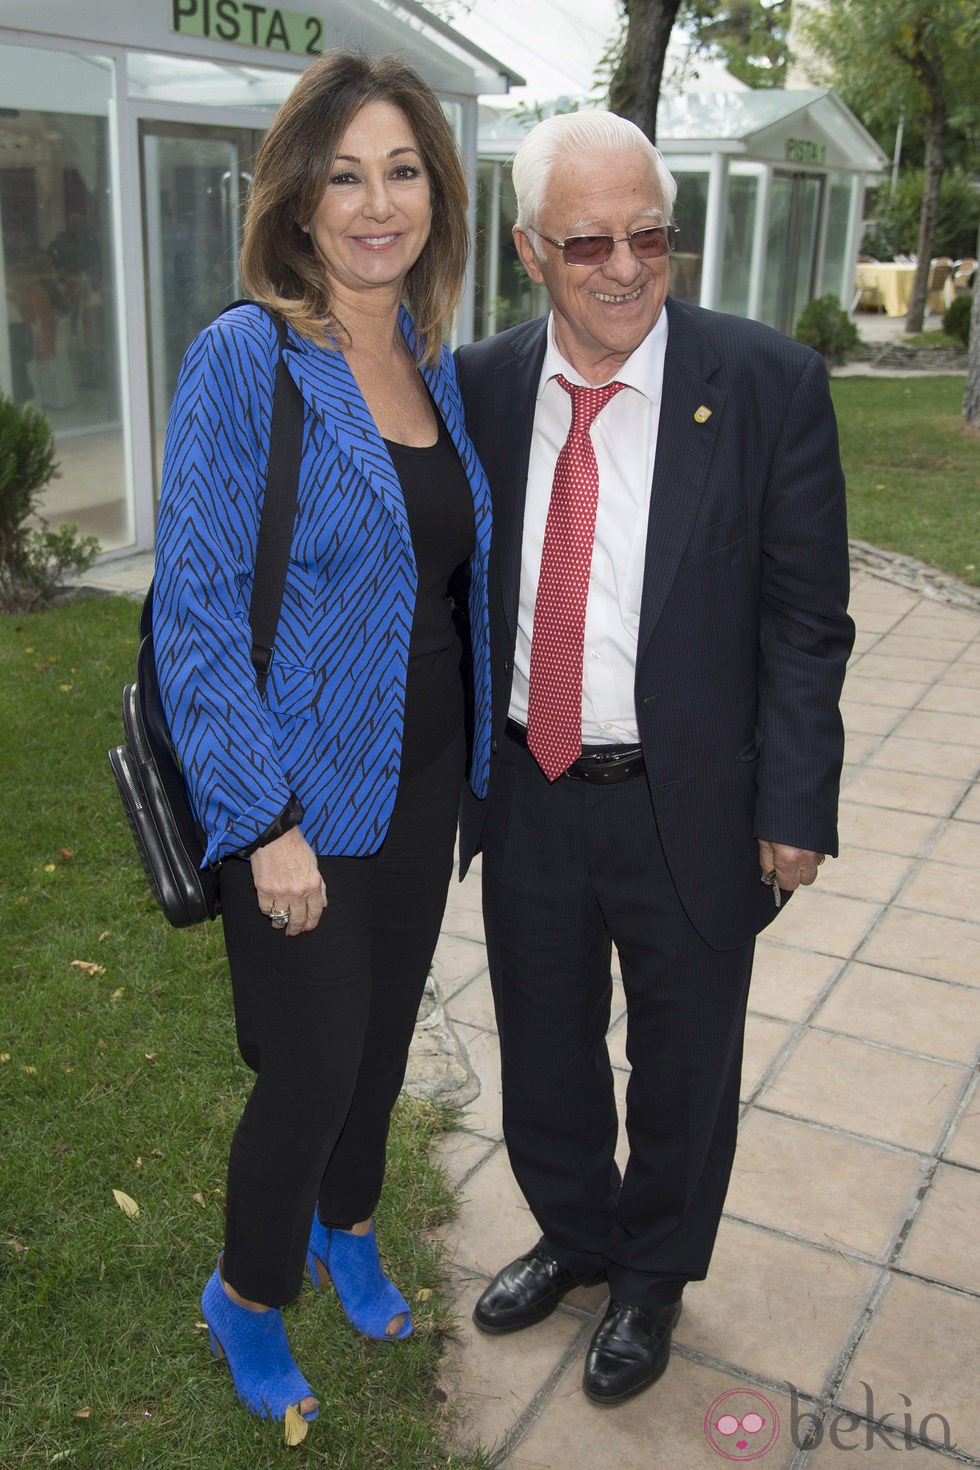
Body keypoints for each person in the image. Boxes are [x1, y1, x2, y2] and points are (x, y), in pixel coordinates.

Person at [455, 110, 854, 1408]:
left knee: (685, 1062)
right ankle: (575, 1232)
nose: (626, 265)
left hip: (692, 800)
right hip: (529, 788)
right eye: (589, 242)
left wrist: (796, 801)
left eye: (651, 235)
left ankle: (653, 1274)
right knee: (547, 1046)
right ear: (530, 251)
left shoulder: (768, 384)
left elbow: (807, 621)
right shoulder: (484, 387)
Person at [152, 50, 491, 1432]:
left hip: (421, 781)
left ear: (436, 194)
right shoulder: (246, 359)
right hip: (295, 795)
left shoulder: (430, 363)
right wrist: (261, 818)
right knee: (312, 1057)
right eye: (343, 173)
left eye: (401, 170)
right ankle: (247, 1286)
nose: (375, 202)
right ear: (296, 202)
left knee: (384, 1036)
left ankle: (350, 1225)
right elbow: (194, 616)